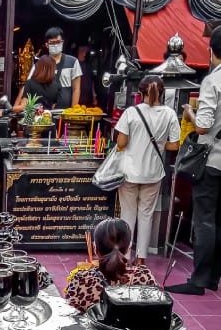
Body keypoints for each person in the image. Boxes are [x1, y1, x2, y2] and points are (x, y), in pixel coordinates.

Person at [166, 27, 221, 295]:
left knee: (205, 220)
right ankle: (213, 277)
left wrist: (189, 112)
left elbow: (203, 126)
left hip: (212, 159)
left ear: (212, 52)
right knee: (218, 220)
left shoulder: (213, 80)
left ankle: (199, 280)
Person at [115, 74, 180, 265]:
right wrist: (159, 145)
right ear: (162, 92)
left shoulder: (131, 112)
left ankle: (124, 256)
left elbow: (121, 142)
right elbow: (174, 146)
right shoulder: (169, 114)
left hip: (129, 172)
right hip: (153, 172)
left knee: (127, 214)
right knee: (146, 214)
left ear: (140, 92)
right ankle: (141, 258)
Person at [65, 217, 156, 312]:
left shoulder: (81, 280)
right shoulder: (144, 276)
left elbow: (70, 318)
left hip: (94, 327)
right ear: (129, 248)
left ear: (95, 248)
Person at [29, 27, 82, 110]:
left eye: (58, 42)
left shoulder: (73, 62)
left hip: (65, 112)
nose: (55, 45)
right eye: (52, 43)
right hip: (43, 113)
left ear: (62, 42)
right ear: (47, 45)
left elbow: (76, 88)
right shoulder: (39, 64)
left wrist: (73, 112)